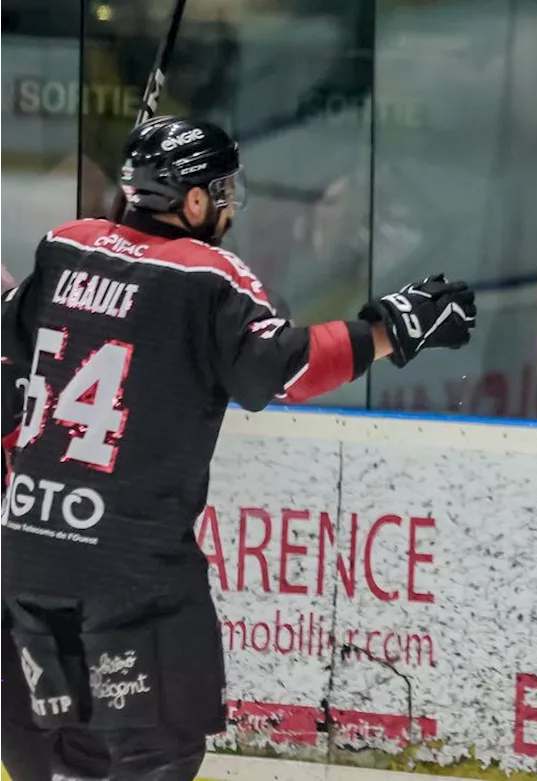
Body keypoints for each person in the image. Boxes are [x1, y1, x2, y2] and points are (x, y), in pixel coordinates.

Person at [0, 115, 477, 781]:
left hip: (27, 552)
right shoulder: (209, 276)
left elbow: (18, 336)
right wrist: (390, 328)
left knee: (53, 757)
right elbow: (282, 368)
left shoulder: (65, 246)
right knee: (154, 758)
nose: (227, 206)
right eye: (219, 191)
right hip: (128, 568)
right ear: (193, 201)